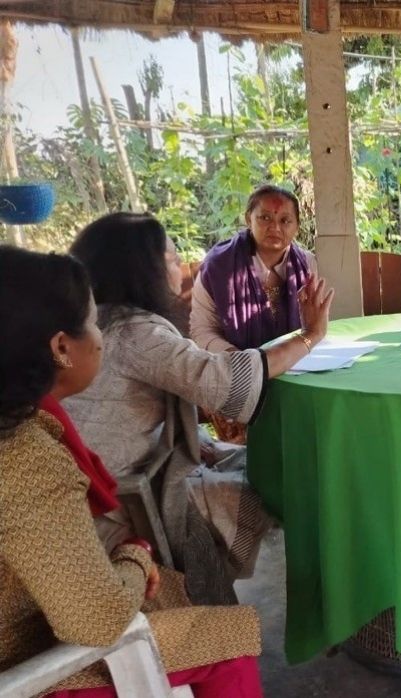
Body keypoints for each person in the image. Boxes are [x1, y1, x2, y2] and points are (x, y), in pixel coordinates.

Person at [0, 245, 263, 697]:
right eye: (93, 323)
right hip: (24, 662)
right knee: (232, 635)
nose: (101, 337)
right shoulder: (26, 459)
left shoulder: (26, 424)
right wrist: (135, 557)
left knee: (177, 588)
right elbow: (98, 620)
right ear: (61, 347)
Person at [64, 212, 334, 605]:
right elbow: (223, 381)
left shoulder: (90, 322)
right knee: (267, 479)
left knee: (248, 459)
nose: (180, 267)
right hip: (113, 498)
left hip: (91, 479)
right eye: (172, 258)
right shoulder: (135, 331)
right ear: (145, 270)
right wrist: (311, 336)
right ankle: (210, 605)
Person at [191, 183, 315, 352]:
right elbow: (202, 330)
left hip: (297, 359)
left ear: (297, 226)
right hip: (235, 362)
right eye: (265, 218)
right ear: (249, 219)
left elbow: (315, 325)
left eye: (285, 221)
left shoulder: (307, 265)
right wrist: (243, 361)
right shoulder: (218, 267)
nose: (275, 228)